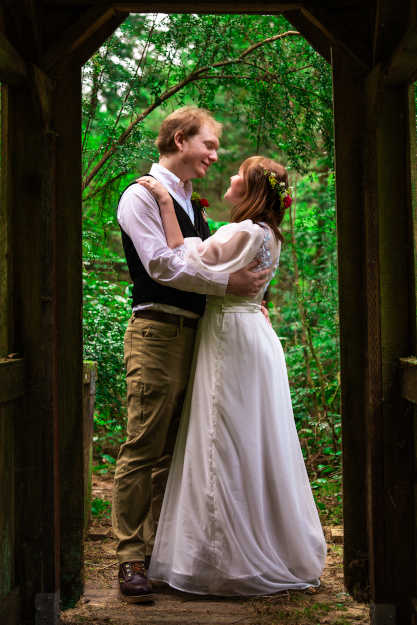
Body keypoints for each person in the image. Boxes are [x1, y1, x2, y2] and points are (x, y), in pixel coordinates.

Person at [138, 155, 327, 596]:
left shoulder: (243, 232)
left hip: (230, 337)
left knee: (219, 439)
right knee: (252, 440)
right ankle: (258, 542)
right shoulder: (267, 235)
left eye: (241, 173)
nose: (233, 176)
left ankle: (224, 558)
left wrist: (166, 205)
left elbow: (183, 257)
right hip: (253, 335)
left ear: (253, 190)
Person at [112, 107, 270, 604]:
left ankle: (162, 555)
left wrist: (247, 300)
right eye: (209, 145)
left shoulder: (186, 198)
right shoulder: (140, 195)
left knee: (177, 450)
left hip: (200, 334)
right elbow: (162, 264)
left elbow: (199, 251)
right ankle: (129, 559)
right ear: (180, 140)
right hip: (158, 331)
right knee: (145, 445)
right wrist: (229, 284)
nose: (215, 156)